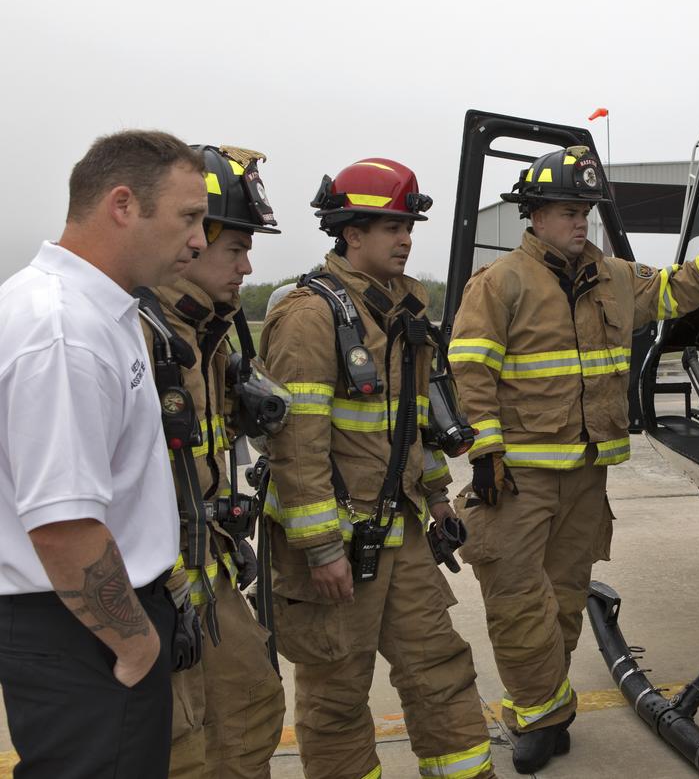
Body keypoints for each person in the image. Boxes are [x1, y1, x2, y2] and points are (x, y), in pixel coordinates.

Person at [448, 145, 699, 772]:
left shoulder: (612, 275)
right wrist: (485, 451)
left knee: (563, 599)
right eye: (566, 210)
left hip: (586, 473)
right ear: (533, 215)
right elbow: (470, 369)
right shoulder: (500, 282)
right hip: (519, 477)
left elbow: (674, 293)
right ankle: (535, 715)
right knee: (516, 599)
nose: (579, 221)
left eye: (584, 210)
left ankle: (548, 713)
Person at [261, 158, 495, 779]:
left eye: (408, 226)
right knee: (337, 695)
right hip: (337, 547)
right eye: (389, 225)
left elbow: (414, 421)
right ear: (349, 233)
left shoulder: (404, 312)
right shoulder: (310, 317)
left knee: (441, 668)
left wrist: (439, 494)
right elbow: (295, 445)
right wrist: (318, 548)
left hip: (406, 532)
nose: (405, 238)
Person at [0, 130, 208, 778]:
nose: (200, 240)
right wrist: (135, 643)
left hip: (84, 624)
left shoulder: (97, 313)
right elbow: (63, 525)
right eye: (190, 217)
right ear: (123, 204)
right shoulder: (64, 330)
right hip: (83, 631)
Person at [141, 145, 287, 778]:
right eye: (236, 249)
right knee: (180, 749)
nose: (246, 266)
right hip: (153, 592)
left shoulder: (208, 335)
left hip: (209, 571)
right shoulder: (131, 334)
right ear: (192, 242)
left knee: (253, 710)